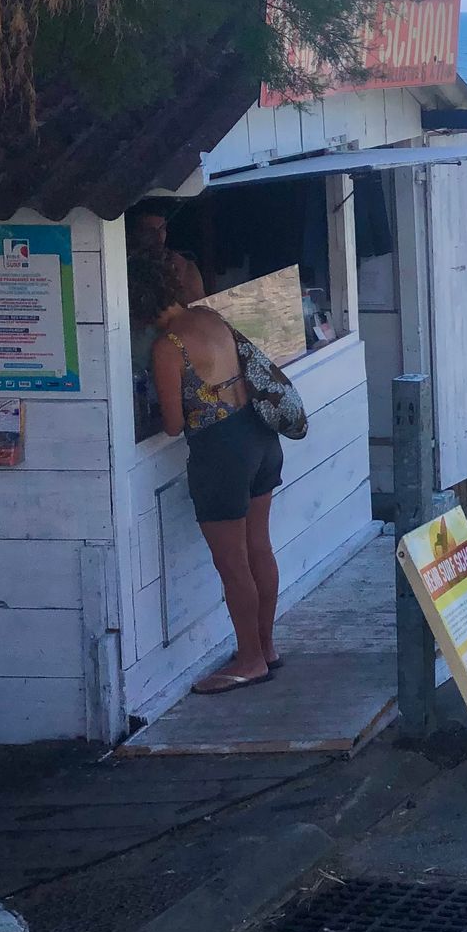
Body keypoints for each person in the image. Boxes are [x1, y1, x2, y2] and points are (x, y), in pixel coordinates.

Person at [130, 252, 283, 696]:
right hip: (259, 437)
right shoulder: (210, 316)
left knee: (233, 565)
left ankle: (249, 660)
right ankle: (267, 649)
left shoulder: (168, 346)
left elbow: (175, 425)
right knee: (259, 549)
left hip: (221, 454)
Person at [129, 202, 206, 303]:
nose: (158, 237)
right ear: (132, 234)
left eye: (162, 228)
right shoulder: (122, 271)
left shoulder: (182, 265)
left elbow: (201, 307)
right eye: (149, 231)